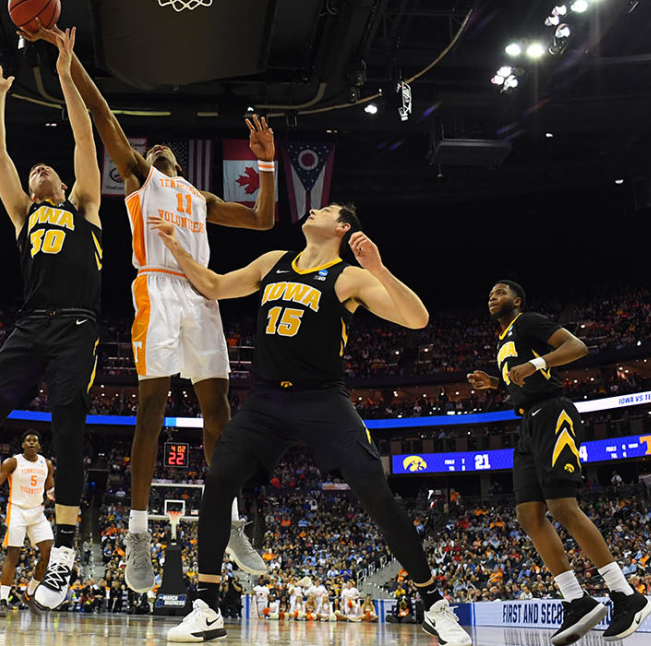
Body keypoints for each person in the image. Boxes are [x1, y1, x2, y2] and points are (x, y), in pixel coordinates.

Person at [22, 26, 275, 594]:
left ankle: (231, 520)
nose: (158, 149)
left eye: (165, 149)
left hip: (201, 293)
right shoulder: (142, 178)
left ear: (179, 162)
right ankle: (137, 532)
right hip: (156, 289)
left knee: (219, 413)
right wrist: (71, 63)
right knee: (151, 410)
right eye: (152, 148)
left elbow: (263, 220)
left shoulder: (201, 199)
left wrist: (267, 166)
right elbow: (105, 118)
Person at [150, 203, 472, 645]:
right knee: (219, 478)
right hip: (266, 399)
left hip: (322, 399)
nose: (314, 209)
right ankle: (206, 608)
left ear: (342, 227)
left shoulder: (349, 277)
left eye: (326, 208)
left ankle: (434, 605)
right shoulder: (273, 261)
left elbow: (417, 319)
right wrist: (176, 246)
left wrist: (378, 268)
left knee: (376, 493)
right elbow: (214, 285)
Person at [0, 28, 102, 613]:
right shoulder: (23, 216)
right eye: (34, 172)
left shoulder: (85, 207)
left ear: (63, 184)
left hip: (77, 326)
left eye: (46, 170)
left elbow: (83, 136)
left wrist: (65, 73)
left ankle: (64, 552)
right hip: (31, 324)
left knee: (68, 428)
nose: (39, 170)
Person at [468, 280, 651, 644]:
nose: (492, 296)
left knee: (562, 507)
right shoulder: (503, 340)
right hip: (527, 424)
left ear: (517, 300)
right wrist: (495, 383)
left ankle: (626, 594)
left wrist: (535, 363)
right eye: (489, 293)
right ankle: (576, 600)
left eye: (500, 292)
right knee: (528, 514)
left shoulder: (527, 321)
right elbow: (524, 380)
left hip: (553, 413)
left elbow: (577, 347)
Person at [0, 430, 55, 615]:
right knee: (13, 554)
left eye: (35, 440)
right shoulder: (13, 462)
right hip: (17, 510)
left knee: (49, 553)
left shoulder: (46, 464)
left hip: (37, 513)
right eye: (28, 440)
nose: (32, 443)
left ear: (39, 445)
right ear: (23, 445)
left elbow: (50, 489)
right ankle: (3, 600)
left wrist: (53, 496)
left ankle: (29, 594)